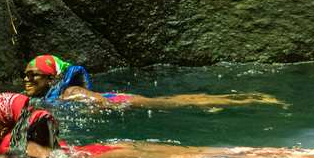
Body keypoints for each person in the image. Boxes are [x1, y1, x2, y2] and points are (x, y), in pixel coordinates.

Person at [0, 92, 314, 158]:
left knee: (198, 157)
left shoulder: (26, 148)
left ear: (4, 122)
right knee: (197, 154)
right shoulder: (13, 142)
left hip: (105, 155)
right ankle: (306, 154)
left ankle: (311, 155)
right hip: (105, 148)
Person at [22, 54, 284, 110]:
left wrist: (109, 108)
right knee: (172, 102)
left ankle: (247, 99)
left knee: (169, 103)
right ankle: (239, 99)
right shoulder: (52, 96)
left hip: (121, 101)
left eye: (32, 75)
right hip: (117, 97)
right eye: (25, 75)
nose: (27, 80)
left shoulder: (71, 92)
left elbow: (100, 102)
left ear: (52, 77)